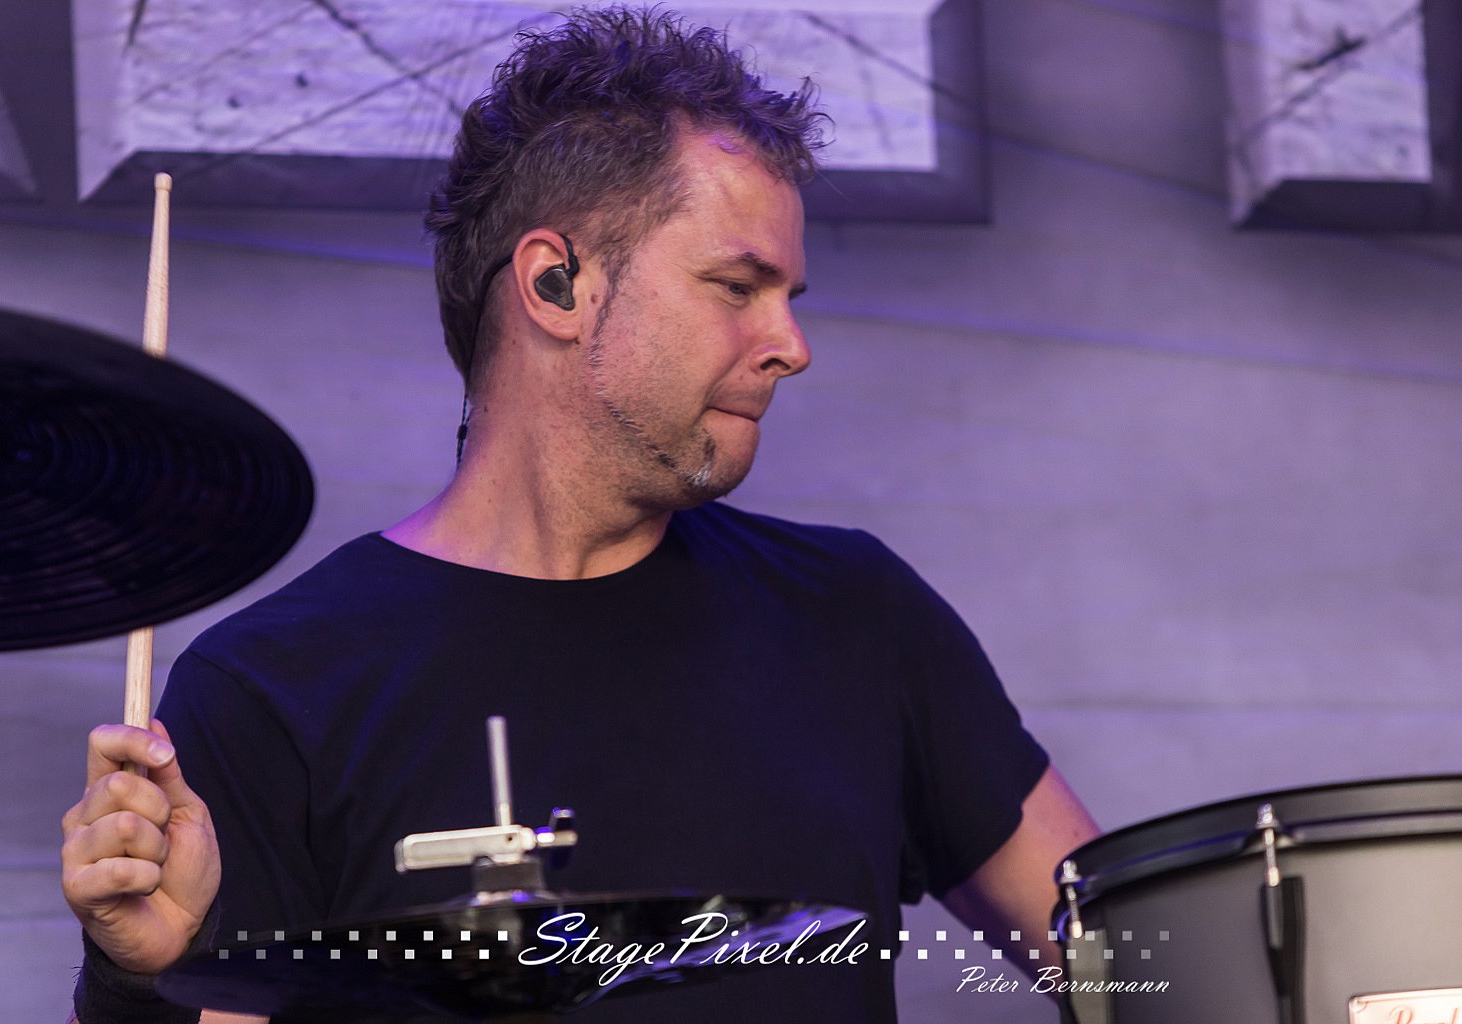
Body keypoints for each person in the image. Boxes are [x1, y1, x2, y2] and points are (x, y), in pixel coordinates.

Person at [60, 6, 1099, 1022]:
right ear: (556, 283)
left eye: (789, 297)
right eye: (737, 286)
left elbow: (1134, 968)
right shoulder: (271, 690)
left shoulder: (860, 616)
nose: (791, 346)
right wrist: (139, 985)